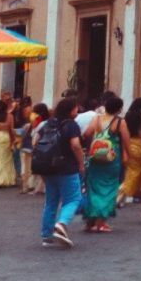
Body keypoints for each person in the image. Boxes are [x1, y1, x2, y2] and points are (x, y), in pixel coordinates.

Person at [39, 97, 86, 248]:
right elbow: (75, 145)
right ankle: (62, 223)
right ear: (71, 110)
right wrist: (81, 163)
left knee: (51, 201)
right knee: (74, 198)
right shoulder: (71, 125)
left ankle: (46, 235)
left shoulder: (49, 123)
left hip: (48, 166)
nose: (77, 110)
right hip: (67, 166)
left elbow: (36, 141)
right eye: (75, 108)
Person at [82, 95, 128, 232]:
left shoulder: (96, 118)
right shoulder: (120, 122)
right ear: (119, 109)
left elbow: (86, 134)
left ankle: (90, 221)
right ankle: (101, 223)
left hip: (95, 158)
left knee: (93, 189)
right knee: (109, 189)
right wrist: (128, 157)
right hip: (111, 159)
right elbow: (126, 141)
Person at [118, 98, 141, 205]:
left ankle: (126, 196)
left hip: (128, 143)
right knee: (135, 173)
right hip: (138, 145)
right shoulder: (140, 117)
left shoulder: (126, 117)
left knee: (132, 171)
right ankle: (120, 196)